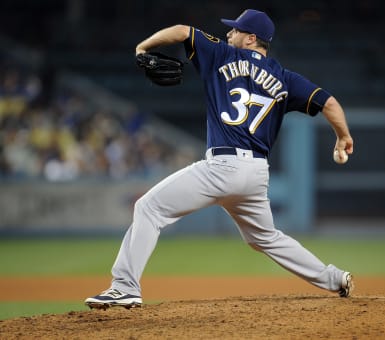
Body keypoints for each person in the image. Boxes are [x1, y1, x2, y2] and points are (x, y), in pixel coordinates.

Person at [85, 9, 354, 309]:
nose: (229, 34)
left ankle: (124, 287)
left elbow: (181, 30)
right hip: (255, 174)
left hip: (222, 166)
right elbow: (328, 101)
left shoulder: (222, 54)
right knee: (265, 238)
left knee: (148, 208)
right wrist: (342, 136)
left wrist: (143, 47)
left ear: (251, 38)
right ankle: (334, 279)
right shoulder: (285, 77)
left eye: (236, 30)